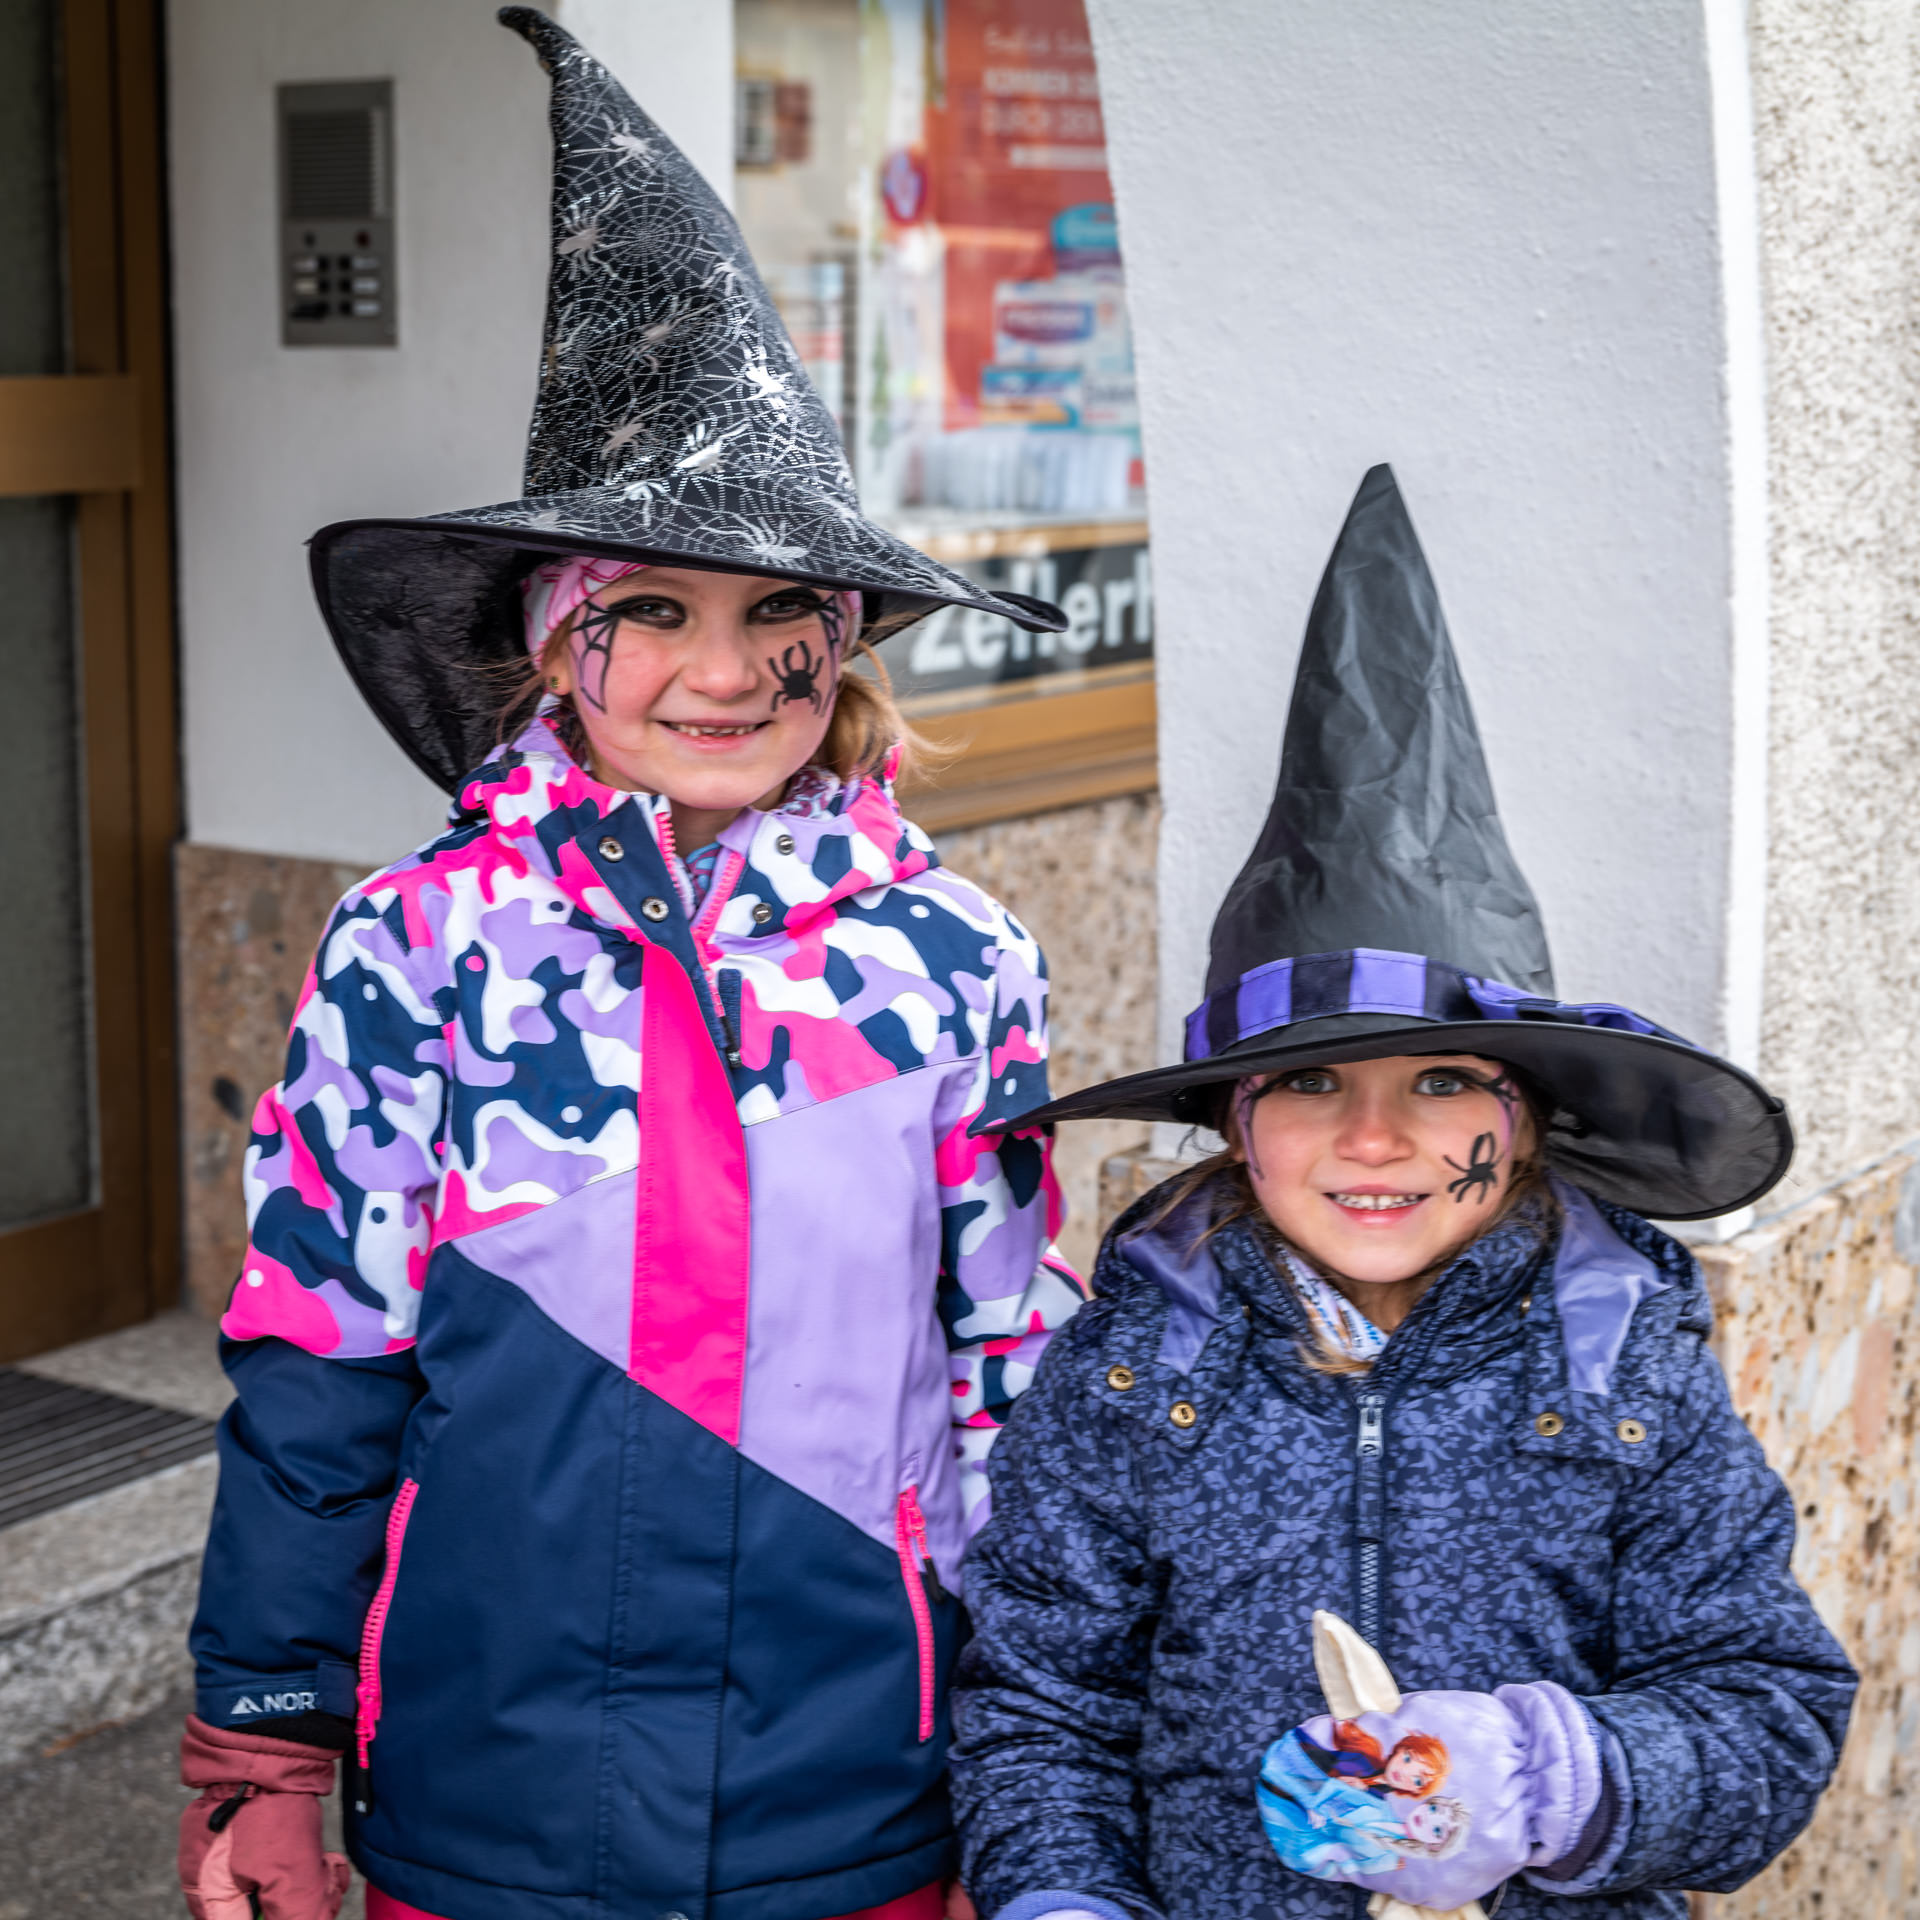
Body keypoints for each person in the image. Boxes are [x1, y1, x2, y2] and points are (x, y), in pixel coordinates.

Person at [176, 14, 1082, 1920]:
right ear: (550, 638)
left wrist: (1040, 1767)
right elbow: (322, 1357)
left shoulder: (949, 960)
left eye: (781, 612)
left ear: (847, 639)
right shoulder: (419, 946)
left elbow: (1006, 1364)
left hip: (855, 1795)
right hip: (488, 1792)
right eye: (650, 609)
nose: (723, 671)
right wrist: (264, 1747)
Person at [947, 466, 1856, 1920]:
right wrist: (1064, 1898)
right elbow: (1042, 1708)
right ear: (1234, 1121)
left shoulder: (1626, 1370)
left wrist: (1558, 1782)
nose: (1373, 1138)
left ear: (1525, 1117)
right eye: (1310, 1082)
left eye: (1440, 1082)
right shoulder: (1128, 1377)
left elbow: (1766, 1708)